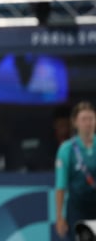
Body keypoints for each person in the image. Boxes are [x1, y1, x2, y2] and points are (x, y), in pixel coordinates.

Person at [55, 101, 96, 240]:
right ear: (75, 122)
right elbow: (61, 185)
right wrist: (59, 216)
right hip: (78, 209)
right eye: (84, 119)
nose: (88, 123)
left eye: (91, 119)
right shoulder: (67, 149)